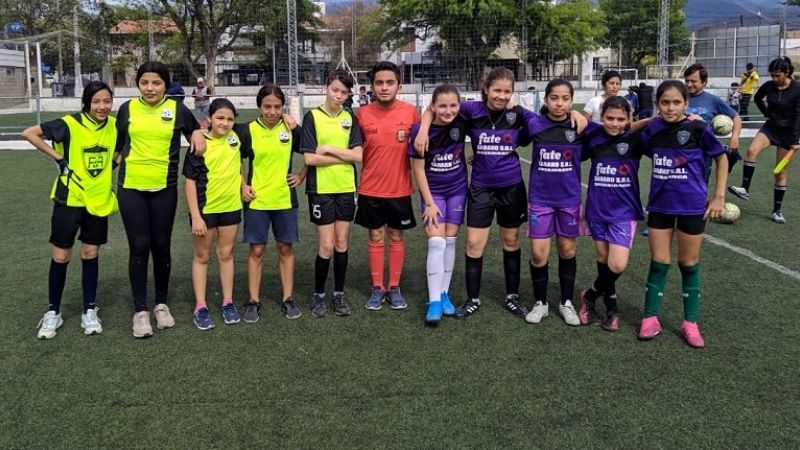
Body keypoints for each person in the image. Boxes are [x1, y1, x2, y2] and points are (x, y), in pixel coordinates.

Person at [414, 67, 587, 320]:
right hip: (481, 187)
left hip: (511, 187)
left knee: (511, 241)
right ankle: (473, 299)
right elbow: (436, 107)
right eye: (497, 90)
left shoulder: (519, 114)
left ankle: (512, 297)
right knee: (474, 244)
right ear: (486, 89)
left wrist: (574, 112)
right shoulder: (471, 110)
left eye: (507, 92)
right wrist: (422, 129)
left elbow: (551, 117)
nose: (502, 96)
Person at [23, 81, 117, 339]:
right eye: (96, 101)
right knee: (61, 255)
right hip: (69, 200)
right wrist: (59, 158)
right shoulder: (69, 123)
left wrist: (113, 164)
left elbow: (125, 146)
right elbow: (30, 133)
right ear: (86, 103)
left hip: (97, 201)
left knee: (90, 253)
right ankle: (53, 312)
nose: (102, 106)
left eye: (107, 101)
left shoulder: (114, 125)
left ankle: (89, 310)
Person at [638, 80, 728, 349]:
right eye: (664, 102)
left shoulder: (698, 128)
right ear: (657, 104)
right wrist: (649, 119)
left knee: (688, 263)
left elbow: (722, 158)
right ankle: (649, 318)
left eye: (677, 102)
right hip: (660, 206)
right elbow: (625, 131)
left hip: (691, 206)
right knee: (659, 262)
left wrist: (719, 196)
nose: (670, 107)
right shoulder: (653, 129)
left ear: (686, 103)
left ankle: (690, 323)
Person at [116, 61, 200, 338]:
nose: (150, 88)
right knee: (139, 246)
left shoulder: (177, 109)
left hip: (164, 187)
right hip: (131, 187)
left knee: (161, 246)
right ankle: (140, 311)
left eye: (156, 83)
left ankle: (161, 305)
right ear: (138, 84)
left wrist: (197, 132)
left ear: (166, 85)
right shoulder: (127, 109)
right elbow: (116, 145)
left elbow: (199, 129)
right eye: (144, 83)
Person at [524, 78, 601, 326]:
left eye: (565, 99)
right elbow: (509, 136)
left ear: (571, 101)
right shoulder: (535, 124)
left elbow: (616, 129)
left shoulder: (581, 125)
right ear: (546, 100)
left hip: (569, 200)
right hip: (540, 199)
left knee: (567, 250)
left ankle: (566, 302)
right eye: (554, 98)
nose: (559, 103)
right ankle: (540, 303)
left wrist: (579, 116)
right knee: (538, 255)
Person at [356, 61, 420, 311]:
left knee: (395, 236)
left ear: (399, 86)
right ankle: (377, 287)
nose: (384, 87)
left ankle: (393, 287)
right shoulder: (362, 114)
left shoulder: (412, 113)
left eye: (390, 82)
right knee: (375, 235)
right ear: (372, 86)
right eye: (379, 83)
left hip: (399, 189)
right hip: (370, 188)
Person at [577, 96, 645, 331]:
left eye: (620, 119)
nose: (614, 123)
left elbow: (662, 127)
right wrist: (575, 114)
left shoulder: (636, 139)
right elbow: (576, 121)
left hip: (624, 212)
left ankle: (589, 294)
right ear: (602, 116)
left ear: (629, 119)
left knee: (617, 265)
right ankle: (611, 309)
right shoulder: (595, 135)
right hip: (597, 209)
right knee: (603, 261)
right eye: (609, 118)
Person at [300, 70, 363, 318]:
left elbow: (358, 156)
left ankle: (338, 294)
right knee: (326, 245)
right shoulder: (312, 117)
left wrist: (327, 148)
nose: (338, 95)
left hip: (346, 187)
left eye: (344, 92)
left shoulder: (350, 118)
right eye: (335, 90)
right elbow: (309, 159)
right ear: (327, 87)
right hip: (321, 189)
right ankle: (318, 295)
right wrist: (343, 157)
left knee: (341, 243)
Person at [239, 85, 306, 322]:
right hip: (256, 200)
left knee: (285, 249)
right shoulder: (247, 130)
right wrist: (243, 185)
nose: (272, 111)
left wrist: (301, 175)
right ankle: (253, 301)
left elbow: (311, 151)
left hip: (284, 200)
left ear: (283, 107)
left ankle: (288, 299)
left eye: (277, 106)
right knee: (256, 251)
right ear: (259, 106)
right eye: (267, 106)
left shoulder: (290, 128)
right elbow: (233, 158)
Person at [408, 84, 467, 324]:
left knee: (450, 241)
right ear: (433, 106)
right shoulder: (419, 131)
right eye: (442, 106)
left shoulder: (462, 120)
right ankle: (433, 302)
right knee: (436, 242)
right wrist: (430, 203)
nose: (448, 110)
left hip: (458, 190)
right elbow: (418, 169)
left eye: (453, 105)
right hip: (433, 193)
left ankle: (444, 294)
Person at [184, 98, 244, 330]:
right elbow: (189, 183)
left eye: (229, 119)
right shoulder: (199, 143)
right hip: (205, 210)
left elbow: (237, 165)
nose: (224, 123)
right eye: (219, 118)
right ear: (209, 118)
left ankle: (228, 302)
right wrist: (196, 217)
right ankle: (200, 306)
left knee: (226, 254)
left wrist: (243, 185)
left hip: (231, 208)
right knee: (202, 256)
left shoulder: (236, 137)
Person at [729, 57, 800, 224]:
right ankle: (745, 188)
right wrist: (766, 113)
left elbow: (799, 115)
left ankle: (777, 211)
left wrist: (795, 139)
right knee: (751, 151)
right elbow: (757, 98)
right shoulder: (769, 86)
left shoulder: (797, 89)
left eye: (778, 75)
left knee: (779, 172)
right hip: (770, 128)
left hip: (788, 134)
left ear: (786, 72)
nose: (774, 79)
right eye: (772, 75)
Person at [683, 63, 743, 180]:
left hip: (703, 153)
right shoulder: (679, 98)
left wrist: (734, 138)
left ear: (704, 82)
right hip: (680, 150)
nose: (689, 84)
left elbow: (736, 118)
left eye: (693, 81)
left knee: (699, 186)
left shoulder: (713, 100)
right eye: (687, 81)